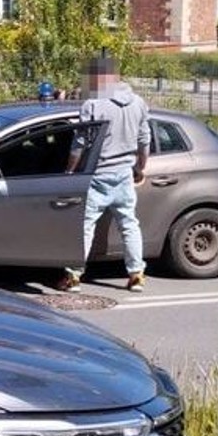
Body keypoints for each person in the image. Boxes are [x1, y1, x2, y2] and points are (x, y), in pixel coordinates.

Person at [56, 54, 150, 292]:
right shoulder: (138, 103)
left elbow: (79, 143)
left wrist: (70, 171)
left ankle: (73, 276)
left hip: (97, 174)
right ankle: (136, 274)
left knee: (85, 226)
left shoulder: (93, 105)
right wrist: (140, 167)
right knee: (129, 224)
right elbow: (144, 140)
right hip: (123, 174)